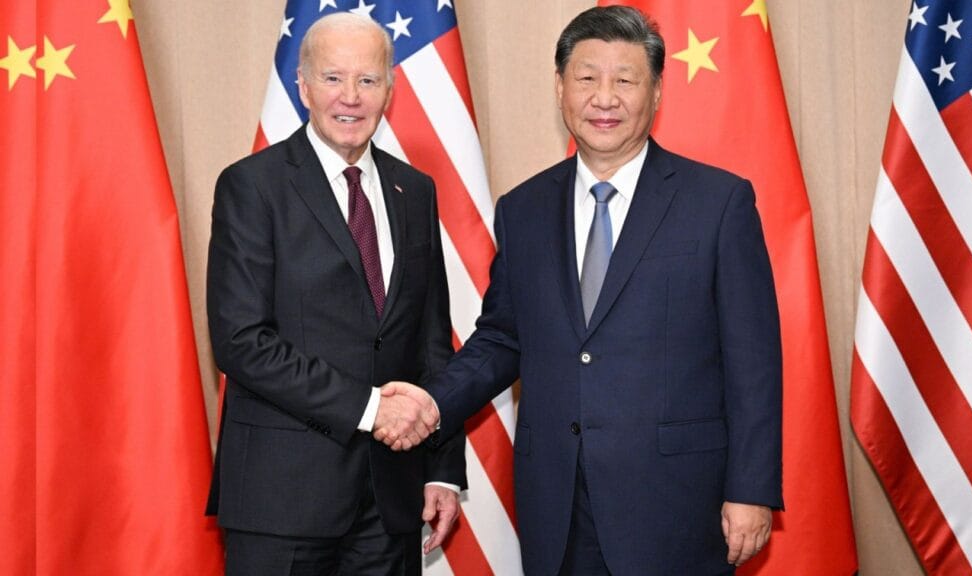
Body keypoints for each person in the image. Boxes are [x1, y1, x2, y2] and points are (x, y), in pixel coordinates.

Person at [380, 6, 782, 575]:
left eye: (626, 79)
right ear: (560, 88)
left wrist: (751, 488)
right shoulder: (522, 210)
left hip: (676, 503)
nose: (605, 97)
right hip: (558, 503)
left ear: (658, 92)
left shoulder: (718, 203)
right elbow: (502, 338)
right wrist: (431, 401)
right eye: (588, 77)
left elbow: (754, 360)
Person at [205, 13, 465, 576]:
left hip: (390, 499)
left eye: (368, 80)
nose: (350, 97)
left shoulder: (414, 190)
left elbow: (430, 340)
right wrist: (373, 409)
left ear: (390, 89)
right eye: (332, 78)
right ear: (302, 86)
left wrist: (442, 468)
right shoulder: (251, 186)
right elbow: (241, 342)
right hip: (282, 501)